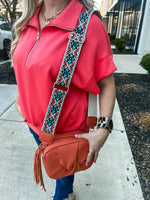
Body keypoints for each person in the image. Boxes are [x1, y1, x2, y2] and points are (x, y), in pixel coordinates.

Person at [11, 0, 117, 199]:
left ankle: (63, 195)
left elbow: (107, 84)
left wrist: (103, 130)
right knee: (60, 165)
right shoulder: (29, 19)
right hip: (33, 125)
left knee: (63, 171)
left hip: (66, 131)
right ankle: (68, 192)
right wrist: (21, 100)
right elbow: (25, 66)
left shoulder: (88, 24)